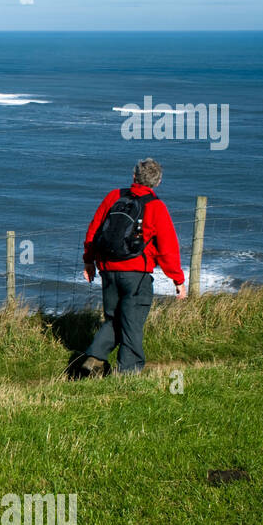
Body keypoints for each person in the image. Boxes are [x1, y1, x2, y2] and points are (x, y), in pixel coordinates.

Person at [78, 158, 187, 376]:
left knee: (114, 317)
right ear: (157, 182)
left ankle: (94, 358)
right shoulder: (156, 206)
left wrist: (89, 260)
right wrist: (178, 280)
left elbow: (94, 229)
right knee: (132, 322)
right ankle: (128, 373)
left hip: (108, 270)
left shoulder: (114, 196)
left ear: (133, 175)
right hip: (137, 275)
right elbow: (167, 249)